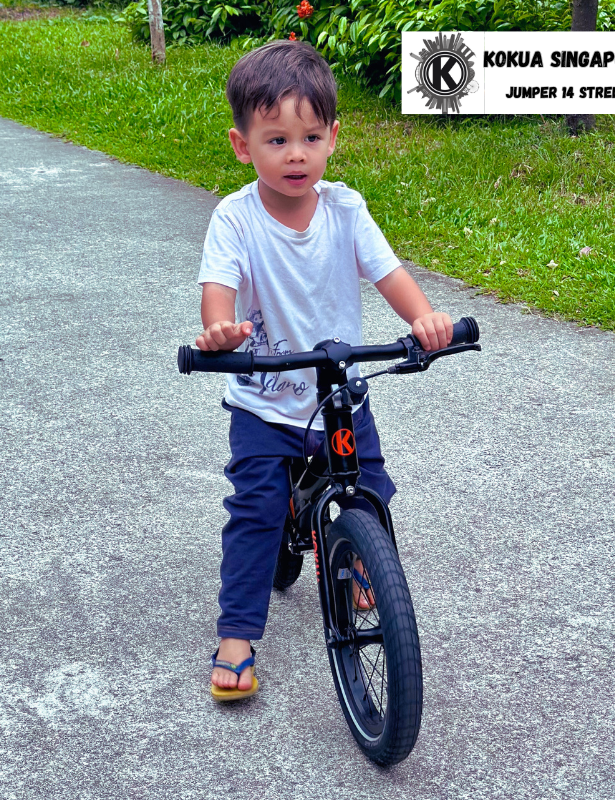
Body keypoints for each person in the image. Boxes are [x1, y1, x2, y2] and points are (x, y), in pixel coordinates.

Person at [196, 39, 452, 700]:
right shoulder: (235, 219)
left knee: (370, 492)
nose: (296, 153)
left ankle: (360, 557)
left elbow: (389, 274)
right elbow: (218, 290)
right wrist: (220, 329)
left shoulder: (345, 209)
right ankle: (235, 635)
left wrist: (424, 320)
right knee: (255, 511)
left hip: (341, 396)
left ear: (334, 137)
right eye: (276, 139)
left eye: (311, 136)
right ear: (242, 145)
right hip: (264, 404)